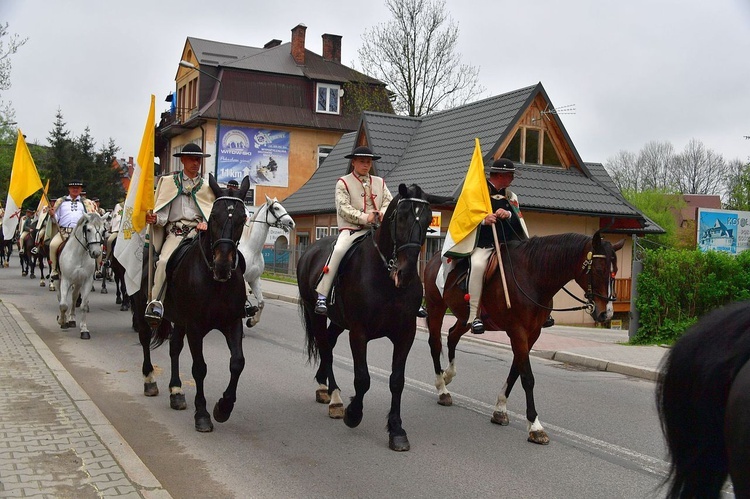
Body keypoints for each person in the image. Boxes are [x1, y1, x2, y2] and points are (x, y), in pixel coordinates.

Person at [466, 158, 554, 334]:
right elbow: (464, 218)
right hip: (485, 245)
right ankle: (474, 316)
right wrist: (483, 220)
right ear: (500, 175)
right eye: (510, 175)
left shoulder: (511, 197)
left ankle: (544, 311)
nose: (512, 179)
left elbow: (518, 222)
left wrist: (508, 215)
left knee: (535, 264)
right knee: (477, 266)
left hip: (511, 245)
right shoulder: (476, 193)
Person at [314, 146, 392, 315]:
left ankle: (412, 298)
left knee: (401, 248)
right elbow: (343, 208)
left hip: (378, 229)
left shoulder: (380, 182)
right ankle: (323, 294)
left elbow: (388, 202)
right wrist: (365, 218)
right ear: (354, 162)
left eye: (368, 162)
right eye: (362, 161)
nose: (366, 165)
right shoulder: (343, 182)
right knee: (339, 250)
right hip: (353, 229)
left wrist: (382, 213)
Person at [144, 143, 216, 321]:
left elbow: (213, 213)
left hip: (200, 235)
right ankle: (156, 305)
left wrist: (206, 223)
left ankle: (239, 301)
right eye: (192, 159)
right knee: (163, 262)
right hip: (176, 234)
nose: (195, 163)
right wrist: (155, 219)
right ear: (182, 160)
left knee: (224, 262)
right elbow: (162, 214)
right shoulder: (168, 183)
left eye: (198, 159)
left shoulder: (208, 187)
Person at [49, 180, 97, 281]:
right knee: (53, 245)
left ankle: (97, 269)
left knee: (96, 246)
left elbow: (92, 219)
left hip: (80, 233)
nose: (75, 190)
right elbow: (55, 220)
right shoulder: (60, 202)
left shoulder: (87, 203)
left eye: (78, 188)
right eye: (73, 188)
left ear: (81, 189)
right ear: (69, 189)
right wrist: (53, 215)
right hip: (64, 232)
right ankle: (54, 270)